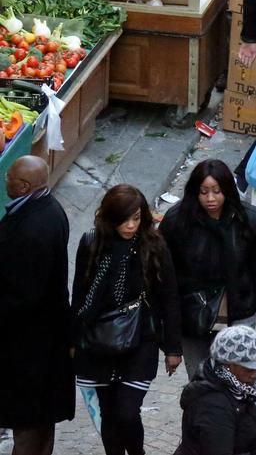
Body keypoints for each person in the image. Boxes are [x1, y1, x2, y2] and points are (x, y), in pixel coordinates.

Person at [72, 184, 182, 455]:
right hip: (98, 341)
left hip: (140, 338)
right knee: (109, 413)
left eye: (136, 218)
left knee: (127, 412)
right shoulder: (91, 243)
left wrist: (173, 348)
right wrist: (73, 338)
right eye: (125, 219)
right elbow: (79, 293)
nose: (131, 226)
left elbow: (169, 297)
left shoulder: (153, 246)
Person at [159, 159, 256, 379]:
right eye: (204, 192)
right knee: (201, 381)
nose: (211, 199)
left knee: (241, 378)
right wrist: (172, 345)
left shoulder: (249, 219)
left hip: (238, 310)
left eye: (217, 191)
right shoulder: (176, 223)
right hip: (194, 315)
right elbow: (167, 283)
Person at [0, 157, 73, 455]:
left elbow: (23, 294)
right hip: (42, 342)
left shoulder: (32, 230)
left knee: (28, 420)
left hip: (27, 345)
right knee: (40, 419)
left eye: (10, 177)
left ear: (25, 186)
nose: (6, 180)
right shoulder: (50, 209)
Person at [174, 325, 256, 455]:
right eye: (248, 369)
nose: (254, 375)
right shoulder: (214, 407)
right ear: (228, 365)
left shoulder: (239, 389)